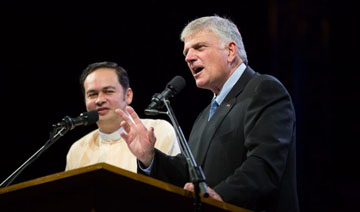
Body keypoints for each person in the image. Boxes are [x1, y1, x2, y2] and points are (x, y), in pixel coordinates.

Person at [116, 15, 299, 212]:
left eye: (199, 47)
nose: (188, 57)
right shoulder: (204, 116)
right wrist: (150, 157)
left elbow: (264, 164)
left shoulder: (263, 89)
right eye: (186, 52)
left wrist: (220, 196)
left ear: (230, 51)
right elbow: (189, 174)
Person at [65, 61, 181, 173]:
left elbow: (175, 184)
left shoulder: (159, 131)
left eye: (108, 91)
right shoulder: (77, 149)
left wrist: (148, 159)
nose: (99, 100)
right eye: (92, 94)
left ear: (128, 95)